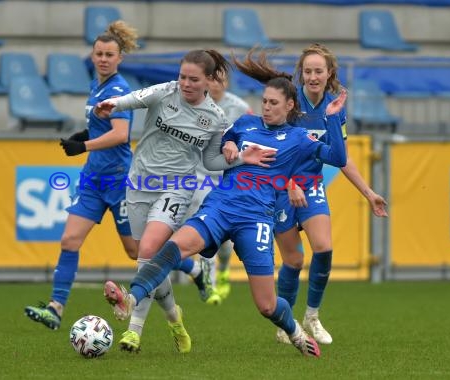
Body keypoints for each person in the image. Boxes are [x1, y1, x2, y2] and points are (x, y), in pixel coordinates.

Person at [103, 48, 349, 358]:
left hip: (256, 219)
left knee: (267, 305)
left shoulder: (300, 139)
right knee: (172, 247)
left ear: (289, 105)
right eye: (264, 102)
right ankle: (131, 299)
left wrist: (333, 117)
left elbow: (338, 158)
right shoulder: (245, 125)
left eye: (274, 103)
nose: (267, 108)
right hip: (220, 207)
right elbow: (223, 142)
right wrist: (231, 144)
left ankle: (294, 332)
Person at [93, 49, 272, 353]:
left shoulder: (215, 118)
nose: (185, 83)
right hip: (140, 183)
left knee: (149, 249)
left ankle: (133, 330)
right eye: (182, 76)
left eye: (193, 79)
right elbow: (134, 98)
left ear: (209, 81)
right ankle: (175, 318)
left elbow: (213, 162)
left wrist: (242, 158)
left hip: (178, 187)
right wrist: (111, 104)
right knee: (147, 258)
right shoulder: (165, 92)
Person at [24, 21, 140, 330]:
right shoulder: (96, 85)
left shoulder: (118, 90)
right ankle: (56, 307)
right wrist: (85, 133)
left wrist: (84, 145)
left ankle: (191, 265)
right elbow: (103, 126)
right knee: (69, 239)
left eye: (109, 54)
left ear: (120, 58)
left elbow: (121, 134)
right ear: (92, 55)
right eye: (99, 53)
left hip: (117, 179)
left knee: (136, 252)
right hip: (93, 180)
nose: (103, 58)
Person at [273, 43, 388, 345]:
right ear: (301, 74)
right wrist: (288, 185)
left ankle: (312, 316)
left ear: (329, 74)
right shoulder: (290, 103)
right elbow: (276, 151)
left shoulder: (335, 107)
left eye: (318, 71)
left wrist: (368, 192)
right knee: (294, 261)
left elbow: (341, 156)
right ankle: (285, 322)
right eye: (308, 71)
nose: (312, 76)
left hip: (311, 185)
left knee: (323, 248)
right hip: (282, 187)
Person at [177, 72, 253, 305]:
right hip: (199, 175)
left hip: (227, 178)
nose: (214, 84)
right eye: (211, 79)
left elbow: (251, 138)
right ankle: (208, 283)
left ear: (226, 83)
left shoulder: (240, 107)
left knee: (225, 242)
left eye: (220, 80)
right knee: (204, 228)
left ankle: (224, 267)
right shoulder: (194, 104)